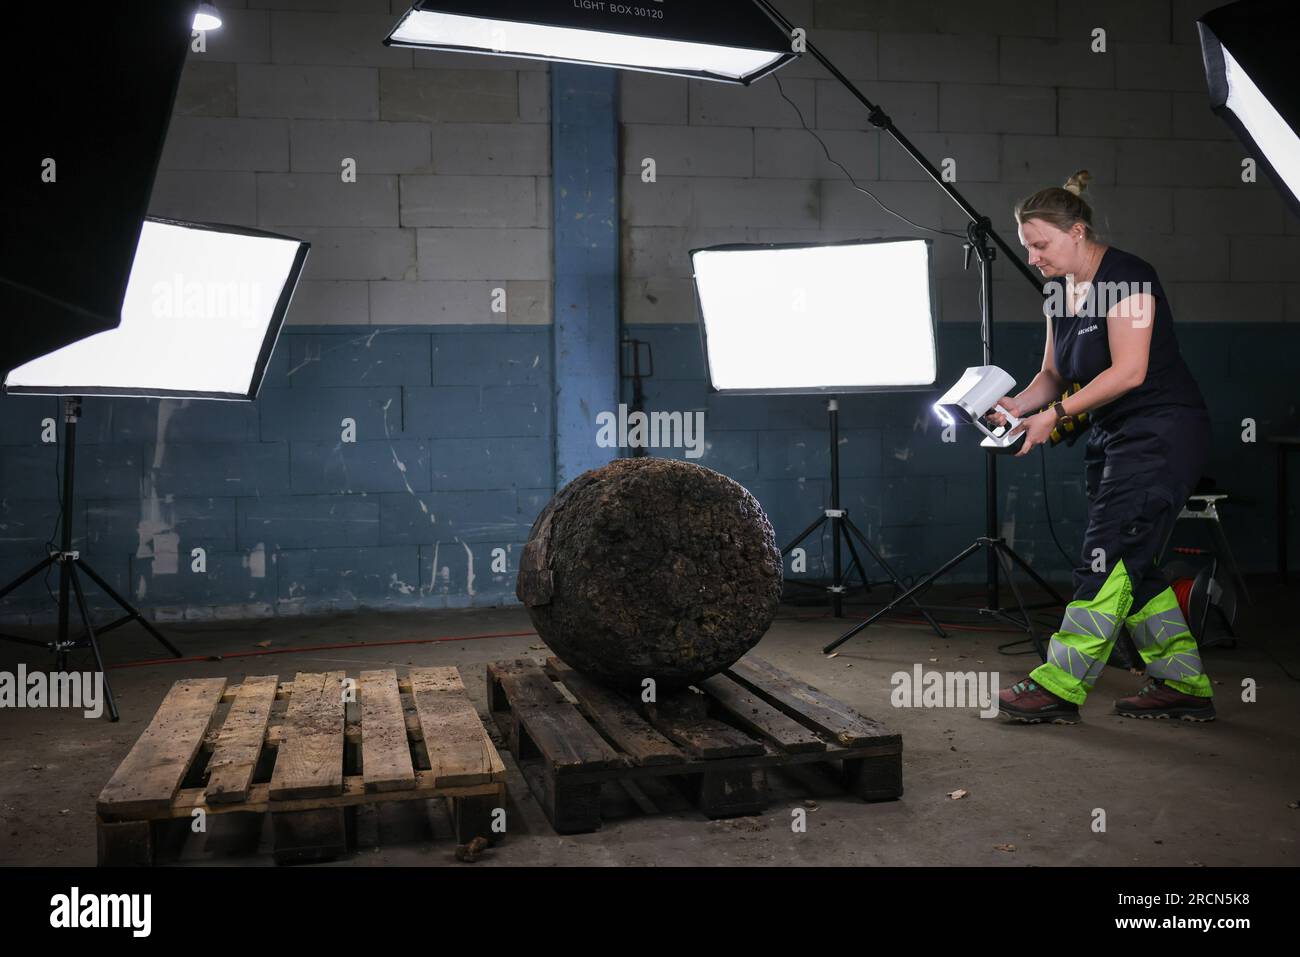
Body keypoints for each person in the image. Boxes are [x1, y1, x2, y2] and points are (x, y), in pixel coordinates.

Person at [994, 171, 1216, 724]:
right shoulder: (1057, 292)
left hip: (1162, 433)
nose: (1034, 257)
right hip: (1116, 436)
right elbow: (1051, 373)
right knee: (1136, 569)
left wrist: (1056, 415)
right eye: (1028, 248)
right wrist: (1019, 408)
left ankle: (1059, 685)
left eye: (1042, 245)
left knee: (1108, 556)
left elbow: (1131, 370)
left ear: (1078, 232)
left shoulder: (1129, 277)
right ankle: (1183, 684)